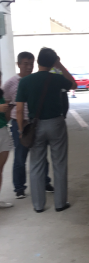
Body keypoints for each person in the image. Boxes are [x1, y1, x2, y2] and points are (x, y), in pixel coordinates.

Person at [16, 47, 75, 213]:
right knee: (59, 163)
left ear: (38, 61)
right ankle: (60, 203)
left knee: (36, 165)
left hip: (36, 125)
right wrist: (59, 65)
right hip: (56, 124)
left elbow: (19, 110)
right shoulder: (56, 78)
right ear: (52, 62)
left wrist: (22, 130)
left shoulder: (26, 82)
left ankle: (38, 205)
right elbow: (74, 84)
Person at [2, 51, 54, 199]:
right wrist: (11, 122)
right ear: (18, 65)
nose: (29, 67)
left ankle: (45, 182)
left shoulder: (35, 80)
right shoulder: (11, 83)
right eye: (25, 64)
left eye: (31, 64)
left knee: (41, 156)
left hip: (36, 123)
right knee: (20, 158)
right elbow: (5, 102)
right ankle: (19, 188)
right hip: (19, 125)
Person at [0, 71, 14, 208]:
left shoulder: (1, 94)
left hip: (3, 131)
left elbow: (6, 118)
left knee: (0, 169)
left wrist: (8, 110)